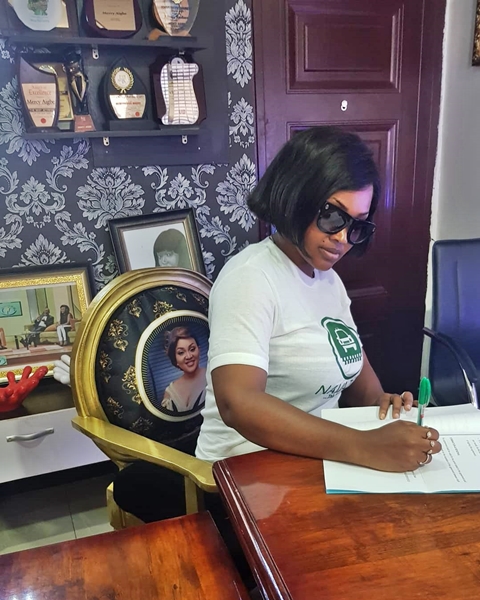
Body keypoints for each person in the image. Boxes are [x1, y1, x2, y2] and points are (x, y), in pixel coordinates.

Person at [195, 126, 442, 473]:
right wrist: (365, 446)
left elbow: (362, 388)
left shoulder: (328, 281)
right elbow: (239, 403)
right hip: (244, 472)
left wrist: (385, 405)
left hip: (313, 463)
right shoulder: (250, 277)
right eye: (332, 216)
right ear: (295, 197)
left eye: (357, 226)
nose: (342, 238)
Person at [160, 326, 206, 413]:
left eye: (192, 349)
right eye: (181, 352)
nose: (189, 356)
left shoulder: (212, 376)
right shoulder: (170, 392)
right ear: (175, 359)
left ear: (199, 350)